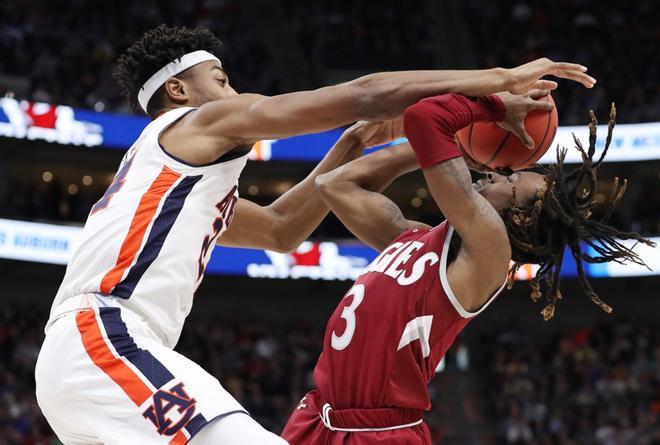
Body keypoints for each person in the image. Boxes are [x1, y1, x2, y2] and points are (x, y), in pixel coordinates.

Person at [33, 23, 596, 444]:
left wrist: (352, 143)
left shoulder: (183, 188)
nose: (235, 95)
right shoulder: (196, 123)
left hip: (94, 357)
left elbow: (281, 229)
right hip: (103, 337)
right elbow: (366, 91)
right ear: (179, 92)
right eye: (222, 81)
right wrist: (495, 85)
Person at [281, 93, 654, 444]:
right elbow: (335, 185)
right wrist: (437, 147)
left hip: (380, 432)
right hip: (319, 415)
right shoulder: (417, 239)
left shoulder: (491, 249)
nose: (494, 172)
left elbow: (425, 118)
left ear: (521, 217)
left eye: (510, 179)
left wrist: (490, 105)